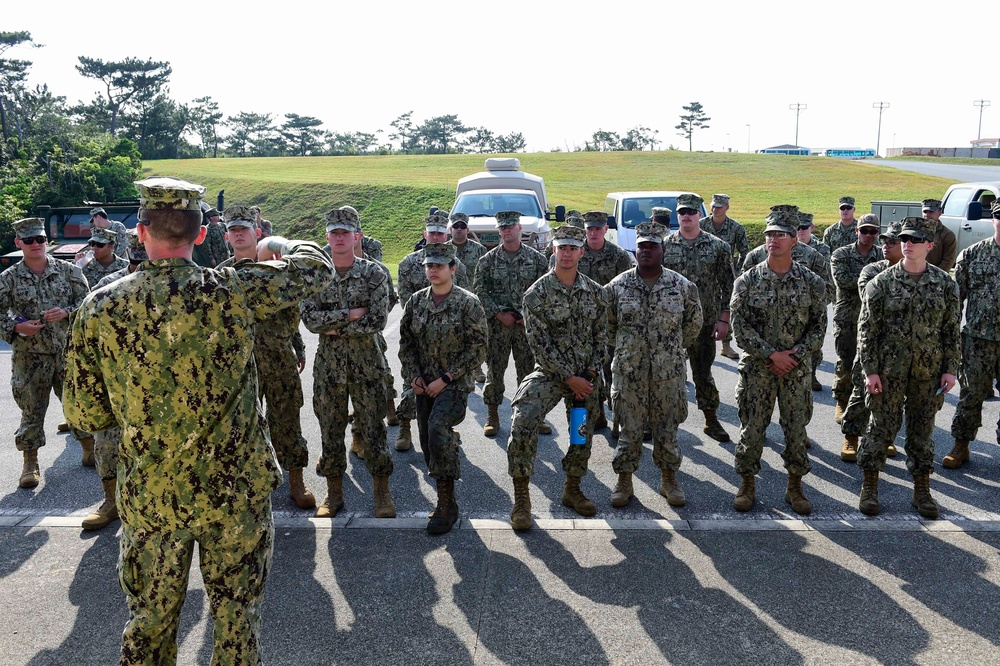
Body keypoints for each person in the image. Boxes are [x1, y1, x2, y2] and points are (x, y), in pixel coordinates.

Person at [64, 176, 334, 664]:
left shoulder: (101, 306)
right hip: (235, 492)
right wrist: (280, 243)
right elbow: (316, 268)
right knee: (236, 623)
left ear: (140, 233)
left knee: (149, 622)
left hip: (151, 494)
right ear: (202, 234)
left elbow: (84, 412)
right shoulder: (234, 290)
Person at [856, 216, 960, 518]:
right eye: (904, 239)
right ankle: (870, 485)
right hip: (888, 371)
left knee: (922, 430)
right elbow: (867, 331)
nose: (907, 244)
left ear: (930, 245)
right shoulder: (882, 283)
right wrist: (870, 371)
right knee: (879, 428)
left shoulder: (944, 284)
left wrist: (950, 369)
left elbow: (951, 331)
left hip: (928, 372)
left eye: (914, 240)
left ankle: (922, 489)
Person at [506, 224, 608, 529]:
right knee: (523, 420)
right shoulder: (536, 293)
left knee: (582, 431)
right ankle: (522, 499)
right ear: (554, 250)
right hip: (551, 375)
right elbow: (537, 343)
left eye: (572, 248)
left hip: (584, 378)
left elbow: (602, 337)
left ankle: (572, 489)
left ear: (581, 252)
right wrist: (568, 376)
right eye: (561, 247)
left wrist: (588, 374)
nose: (566, 253)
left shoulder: (596, 292)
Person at [217, 205, 315, 511]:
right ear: (226, 237)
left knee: (287, 417)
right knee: (241, 422)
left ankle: (296, 479)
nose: (238, 234)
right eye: (233, 230)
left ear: (257, 233)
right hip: (239, 361)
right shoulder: (221, 274)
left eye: (244, 229)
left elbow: (291, 309)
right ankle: (246, 482)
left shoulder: (277, 267)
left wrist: (297, 344)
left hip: (277, 355)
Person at [300, 207, 395, 519]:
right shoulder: (315, 273)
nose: (339, 237)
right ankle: (335, 492)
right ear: (326, 236)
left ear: (357, 236)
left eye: (345, 232)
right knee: (330, 427)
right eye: (334, 232)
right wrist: (352, 314)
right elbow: (310, 320)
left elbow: (378, 319)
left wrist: (335, 325)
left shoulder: (374, 273)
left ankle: (381, 492)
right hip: (329, 366)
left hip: (368, 364)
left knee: (373, 428)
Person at [730, 208, 827, 515]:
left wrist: (793, 356)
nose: (773, 239)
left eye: (780, 235)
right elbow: (739, 326)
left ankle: (795, 486)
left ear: (794, 240)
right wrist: (771, 354)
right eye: (770, 234)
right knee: (752, 428)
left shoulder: (811, 282)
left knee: (796, 429)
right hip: (758, 369)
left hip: (796, 371)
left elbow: (819, 327)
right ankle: (747, 483)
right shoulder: (748, 280)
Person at [605, 222, 702, 507]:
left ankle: (668, 478)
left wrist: (670, 349)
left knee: (667, 428)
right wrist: (628, 349)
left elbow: (693, 323)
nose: (646, 251)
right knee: (629, 429)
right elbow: (607, 325)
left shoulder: (681, 286)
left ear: (663, 250)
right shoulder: (617, 286)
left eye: (652, 246)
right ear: (635, 250)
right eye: (641, 246)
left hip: (667, 373)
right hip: (629, 372)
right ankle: (624, 480)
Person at [398, 242, 488, 534]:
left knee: (438, 429)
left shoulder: (468, 302)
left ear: (453, 268)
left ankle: (447, 504)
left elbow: (478, 348)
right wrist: (414, 377)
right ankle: (442, 484)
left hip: (454, 385)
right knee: (426, 440)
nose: (433, 270)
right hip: (424, 385)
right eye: (429, 265)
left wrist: (446, 378)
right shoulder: (416, 302)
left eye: (440, 265)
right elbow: (406, 344)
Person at [0, 217, 90, 488]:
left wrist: (66, 312)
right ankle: (30, 462)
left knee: (76, 403)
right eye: (29, 240)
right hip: (30, 355)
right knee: (31, 409)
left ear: (46, 242)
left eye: (40, 239)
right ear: (19, 243)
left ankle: (88, 447)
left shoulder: (69, 271)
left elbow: (87, 303)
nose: (35, 244)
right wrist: (18, 327)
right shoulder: (8, 278)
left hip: (66, 351)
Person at [82, 230, 150, 531]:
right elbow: (84, 334)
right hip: (116, 383)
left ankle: (149, 503)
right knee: (107, 444)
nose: (140, 271)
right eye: (136, 264)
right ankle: (110, 501)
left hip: (158, 387)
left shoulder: (169, 287)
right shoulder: (107, 288)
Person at [662, 193, 735, 442]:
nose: (686, 216)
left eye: (691, 212)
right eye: (681, 212)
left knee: (703, 373)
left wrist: (724, 319)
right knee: (668, 374)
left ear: (699, 215)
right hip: (670, 323)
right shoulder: (664, 244)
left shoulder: (718, 246)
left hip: (704, 321)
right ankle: (664, 423)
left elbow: (728, 285)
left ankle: (710, 420)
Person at [394, 213, 471, 450]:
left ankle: (444, 426)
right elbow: (406, 299)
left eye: (440, 233)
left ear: (447, 236)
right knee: (412, 383)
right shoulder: (409, 263)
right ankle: (405, 426)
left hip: (449, 338)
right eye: (432, 232)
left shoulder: (457, 266)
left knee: (445, 386)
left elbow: (466, 299)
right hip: (419, 335)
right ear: (424, 234)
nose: (436, 237)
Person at [473, 210, 549, 438]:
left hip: (526, 326)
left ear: (519, 228)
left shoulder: (537, 259)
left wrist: (529, 314)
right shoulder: (487, 261)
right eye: (503, 228)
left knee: (528, 373)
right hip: (498, 327)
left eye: (511, 226)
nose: (507, 231)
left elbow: (544, 290)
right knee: (495, 372)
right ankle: (493, 415)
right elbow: (479, 292)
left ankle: (532, 416)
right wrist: (497, 313)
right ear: (499, 231)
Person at [839, 221, 905, 463]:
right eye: (885, 241)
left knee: (894, 399)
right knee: (860, 392)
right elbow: (870, 302)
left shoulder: (918, 273)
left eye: (892, 242)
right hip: (872, 343)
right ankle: (851, 437)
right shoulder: (872, 271)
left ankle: (886, 438)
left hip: (900, 348)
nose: (886, 245)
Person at [946, 201, 1000, 468]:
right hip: (978, 340)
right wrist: (953, 338)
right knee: (971, 395)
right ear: (993, 220)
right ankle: (961, 445)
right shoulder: (972, 255)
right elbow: (956, 301)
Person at [830, 213, 884, 440]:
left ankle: (865, 408)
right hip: (848, 316)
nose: (869, 235)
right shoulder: (841, 254)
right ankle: (842, 401)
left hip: (873, 320)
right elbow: (842, 280)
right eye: (865, 231)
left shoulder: (882, 255)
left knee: (869, 367)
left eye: (873, 231)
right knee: (845, 361)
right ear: (856, 231)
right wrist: (873, 281)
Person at [700, 193, 749, 360]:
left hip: (725, 276)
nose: (715, 209)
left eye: (719, 206)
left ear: (727, 207)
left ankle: (726, 345)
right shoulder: (701, 225)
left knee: (726, 308)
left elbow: (744, 252)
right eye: (713, 206)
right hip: (703, 275)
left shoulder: (736, 228)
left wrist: (738, 272)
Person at [450, 211, 489, 383]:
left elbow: (484, 275)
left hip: (473, 300)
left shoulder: (479, 250)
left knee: (474, 335)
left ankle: (476, 368)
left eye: (462, 226)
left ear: (467, 229)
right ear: (451, 229)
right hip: (450, 300)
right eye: (456, 226)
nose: (459, 229)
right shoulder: (444, 250)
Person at [796, 211, 834, 391]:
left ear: (812, 227)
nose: (800, 231)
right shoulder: (787, 246)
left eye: (804, 227)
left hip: (813, 304)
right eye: (797, 227)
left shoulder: (822, 249)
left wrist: (818, 303)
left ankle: (812, 375)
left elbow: (825, 279)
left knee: (814, 342)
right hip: (790, 305)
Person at [922, 198, 958, 271]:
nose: (927, 214)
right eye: (925, 212)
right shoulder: (914, 231)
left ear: (940, 212)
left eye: (931, 211)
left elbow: (948, 260)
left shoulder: (947, 235)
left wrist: (935, 276)